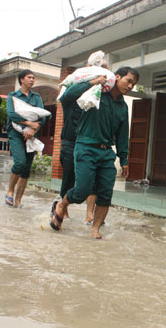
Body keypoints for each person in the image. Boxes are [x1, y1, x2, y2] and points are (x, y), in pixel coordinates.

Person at [50, 66, 139, 239]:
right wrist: (94, 81)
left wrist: (124, 159)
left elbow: (122, 134)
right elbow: (67, 96)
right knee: (82, 190)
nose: (130, 86)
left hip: (106, 154)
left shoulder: (122, 106)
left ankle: (95, 229)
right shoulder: (95, 92)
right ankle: (61, 205)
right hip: (86, 147)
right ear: (117, 77)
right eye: (128, 81)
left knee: (105, 194)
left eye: (133, 84)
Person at [58, 58, 109, 223]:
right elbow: (68, 95)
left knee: (93, 179)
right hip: (71, 142)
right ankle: (62, 209)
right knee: (69, 177)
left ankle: (90, 214)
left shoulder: (99, 98)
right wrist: (93, 81)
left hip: (90, 144)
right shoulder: (72, 97)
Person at [5, 69, 45, 208]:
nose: (32, 80)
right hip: (16, 133)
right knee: (20, 163)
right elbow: (11, 114)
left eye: (33, 78)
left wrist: (33, 129)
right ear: (22, 79)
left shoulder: (36, 97)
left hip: (32, 134)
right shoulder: (13, 96)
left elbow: (42, 116)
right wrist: (29, 123)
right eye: (29, 77)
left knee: (26, 169)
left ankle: (18, 200)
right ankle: (9, 191)